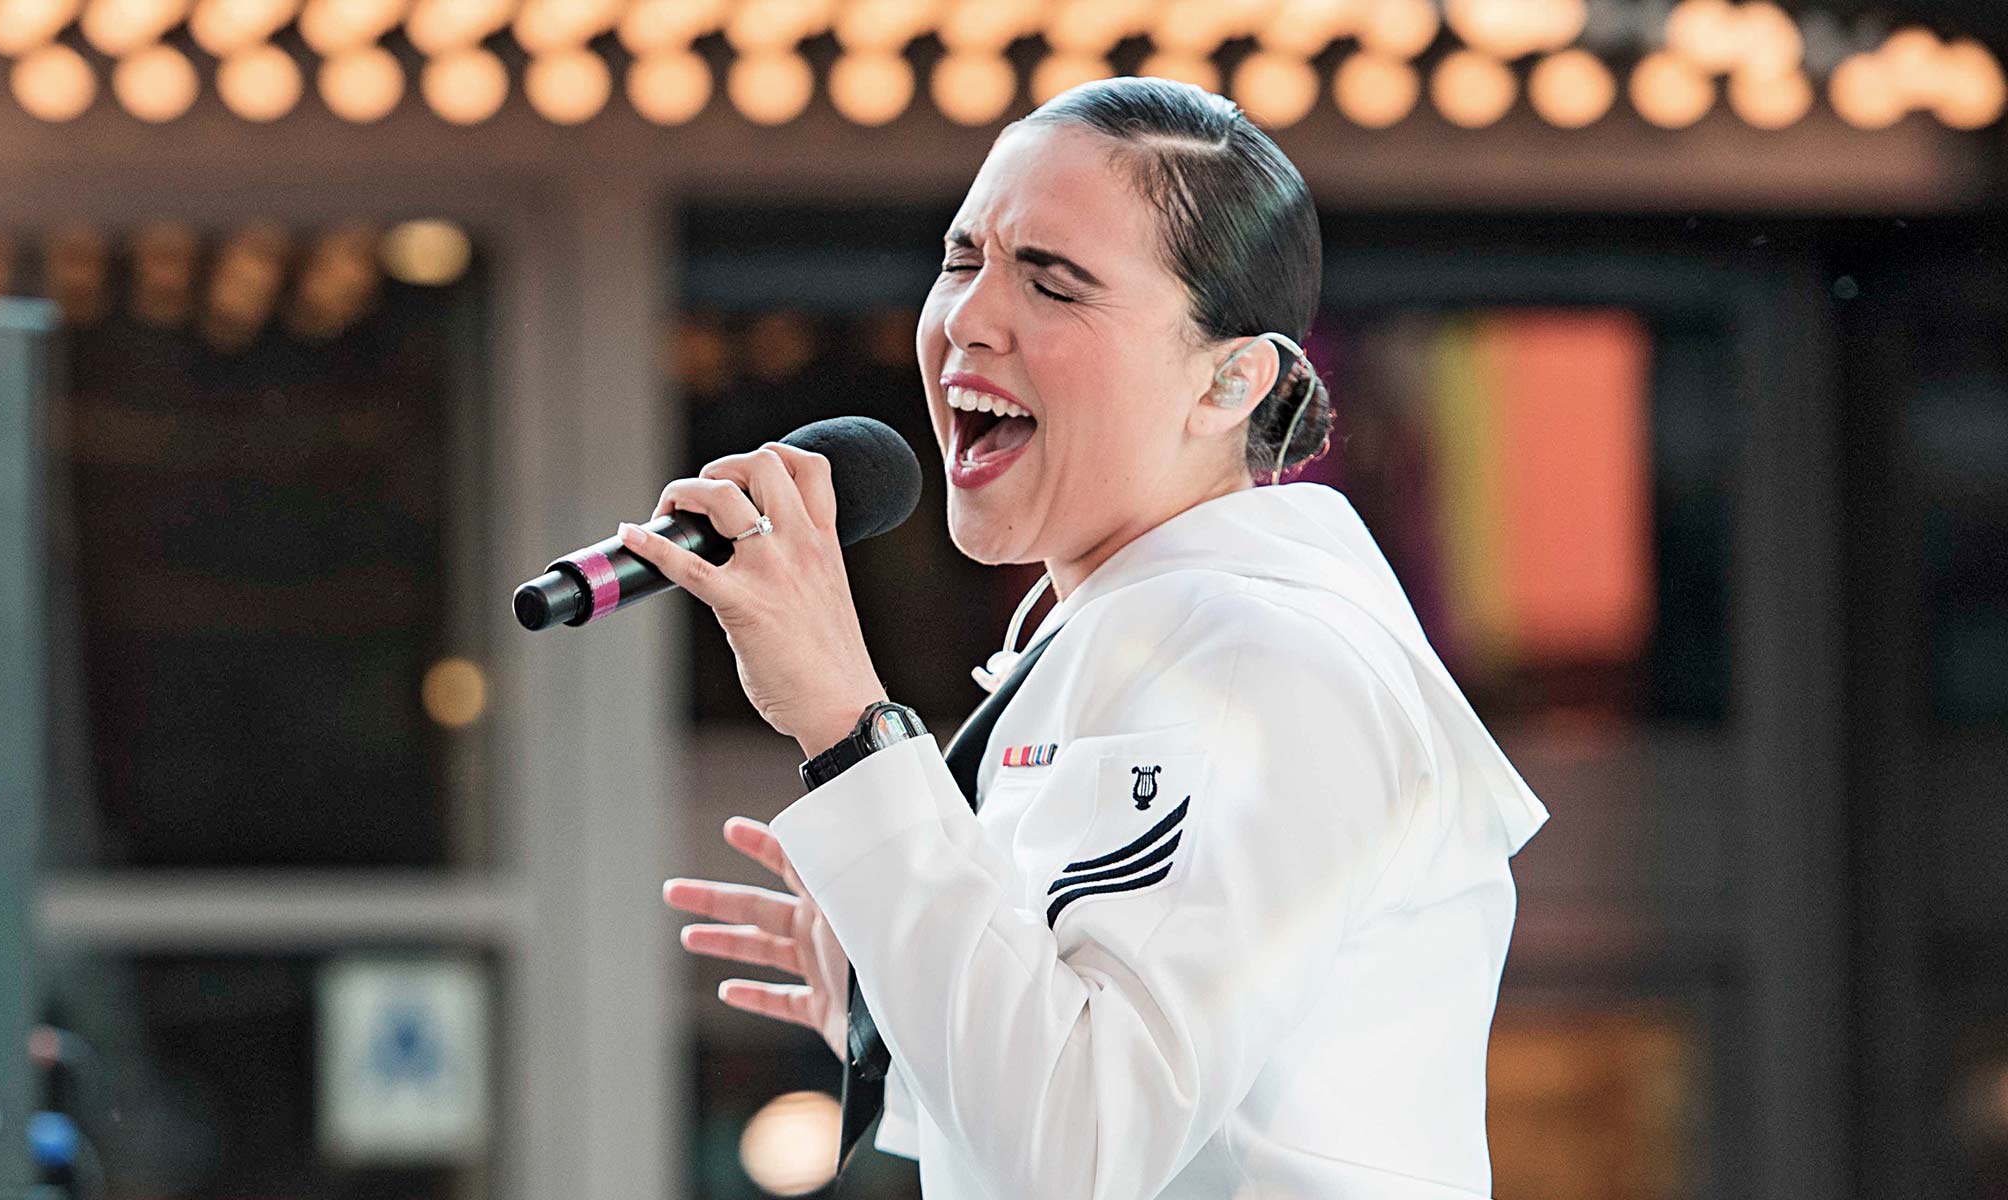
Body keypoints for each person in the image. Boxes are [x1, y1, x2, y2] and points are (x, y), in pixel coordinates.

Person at [630, 77, 1552, 1199]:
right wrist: (895, 1011)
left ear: (1228, 379)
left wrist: (844, 720)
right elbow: (1160, 1113)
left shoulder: (1264, 659)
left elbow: (1082, 1146)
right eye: (961, 261)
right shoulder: (1153, 634)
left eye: (1052, 284)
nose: (968, 319)